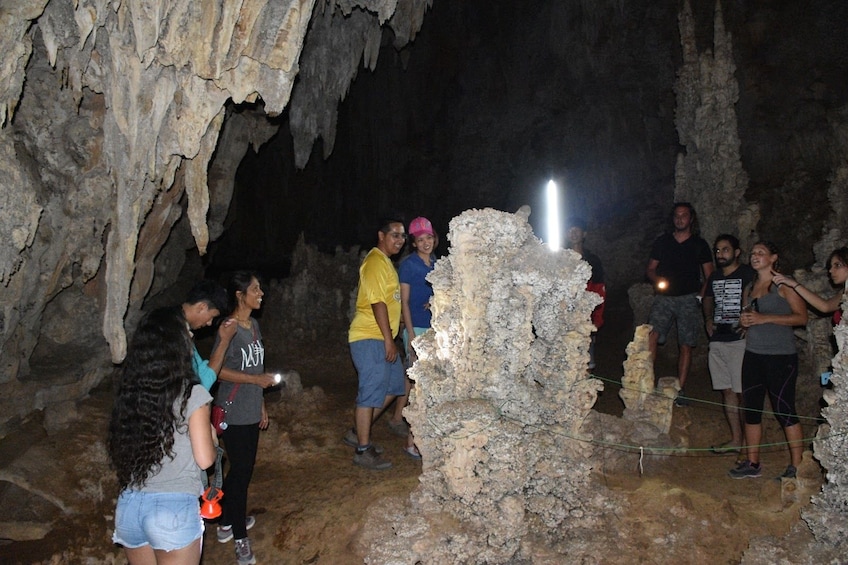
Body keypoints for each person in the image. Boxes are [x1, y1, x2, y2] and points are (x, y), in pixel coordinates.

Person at [109, 307, 218, 564]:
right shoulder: (194, 394)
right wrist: (211, 438)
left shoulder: (132, 393)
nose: (191, 338)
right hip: (173, 509)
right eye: (187, 333)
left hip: (129, 506)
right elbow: (205, 460)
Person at [728, 241, 808, 480]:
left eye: (760, 253)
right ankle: (752, 463)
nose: (755, 256)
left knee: (784, 409)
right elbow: (748, 318)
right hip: (753, 354)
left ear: (773, 258)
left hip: (780, 357)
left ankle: (797, 466)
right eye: (753, 253)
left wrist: (765, 318)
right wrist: (744, 322)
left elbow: (801, 318)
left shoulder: (783, 285)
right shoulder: (750, 287)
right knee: (751, 409)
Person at [214, 272, 278, 564]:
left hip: (251, 408)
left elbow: (258, 367)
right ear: (240, 295)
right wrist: (255, 384)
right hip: (233, 411)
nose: (261, 292)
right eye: (255, 288)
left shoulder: (253, 326)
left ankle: (226, 521)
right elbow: (217, 370)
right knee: (240, 474)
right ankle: (239, 538)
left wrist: (261, 402)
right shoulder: (228, 328)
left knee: (242, 469)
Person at [343, 217, 408, 470]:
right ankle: (362, 449)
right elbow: (377, 302)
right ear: (381, 235)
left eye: (402, 236)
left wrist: (399, 322)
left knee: (396, 385)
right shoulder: (373, 262)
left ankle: (357, 431)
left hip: (381, 336)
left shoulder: (386, 263)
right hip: (369, 337)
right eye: (395, 235)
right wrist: (388, 339)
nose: (400, 240)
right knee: (369, 393)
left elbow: (390, 301)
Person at [645, 202, 714, 405]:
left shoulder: (699, 245)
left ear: (691, 218)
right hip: (664, 297)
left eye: (684, 215)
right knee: (652, 335)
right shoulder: (662, 242)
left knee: (686, 343)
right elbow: (650, 268)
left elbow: (709, 275)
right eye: (676, 215)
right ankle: (645, 381)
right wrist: (656, 279)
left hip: (688, 298)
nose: (679, 219)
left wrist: (700, 296)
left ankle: (680, 389)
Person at [702, 235, 756, 454]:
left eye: (725, 250)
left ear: (736, 252)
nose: (720, 254)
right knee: (727, 392)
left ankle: (747, 444)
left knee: (742, 392)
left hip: (739, 341)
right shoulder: (714, 276)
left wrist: (750, 320)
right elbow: (707, 297)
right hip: (717, 340)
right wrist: (707, 318)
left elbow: (756, 297)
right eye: (717, 250)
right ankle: (736, 440)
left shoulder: (747, 274)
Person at [392, 216, 438, 460]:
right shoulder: (409, 265)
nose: (426, 243)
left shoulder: (436, 263)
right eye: (421, 240)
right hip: (417, 330)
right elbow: (405, 303)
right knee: (420, 387)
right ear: (414, 242)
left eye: (429, 238)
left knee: (425, 385)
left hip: (434, 329)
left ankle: (416, 434)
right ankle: (412, 442)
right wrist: (409, 335)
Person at [566, 216, 606, 370]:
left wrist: (597, 320)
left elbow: (599, 291)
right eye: (570, 230)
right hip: (564, 318)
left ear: (584, 234)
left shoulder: (593, 261)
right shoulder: (558, 258)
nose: (573, 233)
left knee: (586, 362)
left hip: (584, 318)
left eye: (577, 230)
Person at [181, 280, 237, 390]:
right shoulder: (176, 336)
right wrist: (224, 341)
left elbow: (201, 369)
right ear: (202, 307)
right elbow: (202, 384)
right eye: (212, 316)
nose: (209, 323)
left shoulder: (163, 321)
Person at [773, 246, 847, 322]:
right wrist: (794, 284)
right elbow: (825, 306)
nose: (831, 270)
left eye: (838, 265)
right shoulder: (844, 293)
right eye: (831, 266)